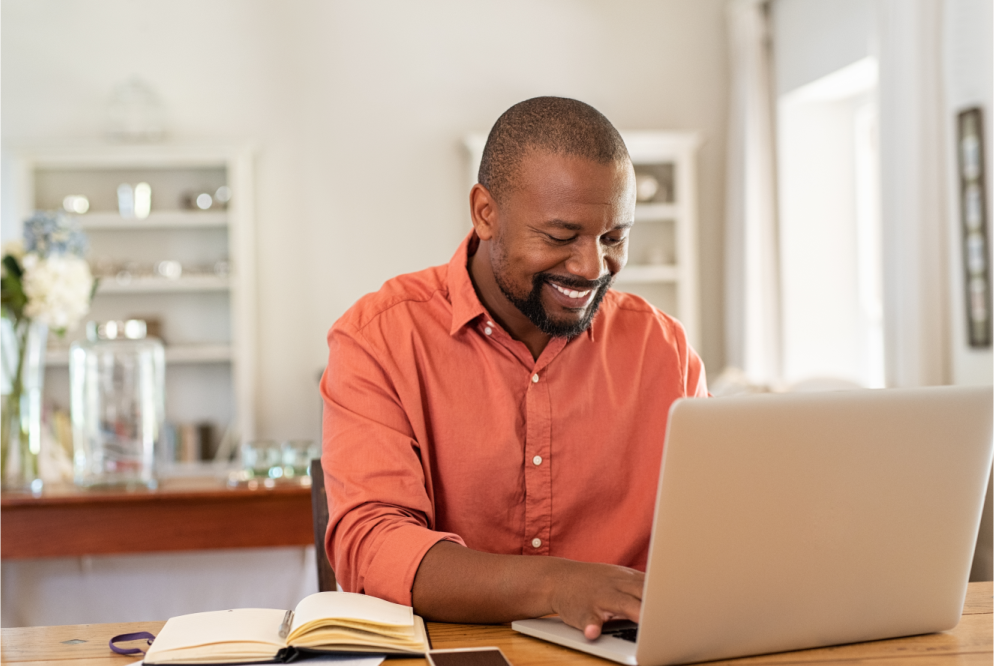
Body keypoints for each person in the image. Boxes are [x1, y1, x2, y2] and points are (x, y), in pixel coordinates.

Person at [320, 96, 708, 639]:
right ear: (485, 213)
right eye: (560, 236)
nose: (592, 267)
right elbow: (373, 546)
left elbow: (709, 533)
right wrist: (557, 585)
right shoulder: (378, 338)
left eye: (614, 238)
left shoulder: (664, 350)